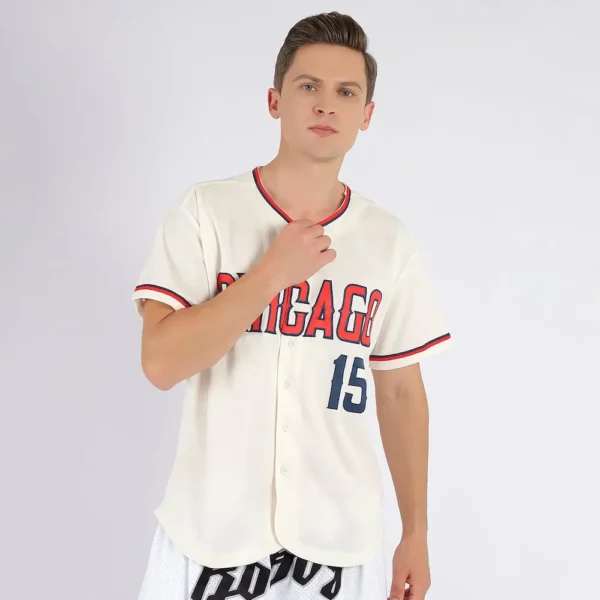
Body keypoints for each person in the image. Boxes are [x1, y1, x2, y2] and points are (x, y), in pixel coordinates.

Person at [132, 11, 451, 600]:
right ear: (275, 100)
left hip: (339, 542)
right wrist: (272, 273)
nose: (326, 105)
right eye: (309, 86)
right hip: (209, 533)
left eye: (346, 92)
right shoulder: (206, 213)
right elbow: (161, 362)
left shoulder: (388, 241)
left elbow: (402, 392)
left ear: (366, 115)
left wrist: (416, 532)